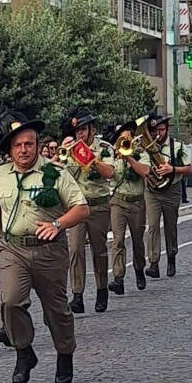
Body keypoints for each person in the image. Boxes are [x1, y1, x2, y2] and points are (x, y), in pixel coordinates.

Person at [0, 109, 90, 383]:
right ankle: (24, 352)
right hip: (14, 249)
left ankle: (65, 355)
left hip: (49, 251)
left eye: (29, 143)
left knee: (57, 310)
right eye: (18, 145)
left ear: (38, 145)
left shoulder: (56, 172)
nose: (24, 149)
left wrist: (58, 224)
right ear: (10, 149)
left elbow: (82, 208)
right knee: (11, 302)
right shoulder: (0, 175)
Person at [62, 108, 114, 314]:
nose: (80, 135)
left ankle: (102, 289)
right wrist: (66, 155)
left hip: (98, 205)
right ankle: (77, 295)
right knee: (75, 249)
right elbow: (63, 175)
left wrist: (90, 157)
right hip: (76, 205)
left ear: (92, 129)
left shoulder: (104, 148)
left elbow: (109, 172)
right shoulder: (71, 149)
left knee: (99, 250)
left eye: (83, 130)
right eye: (77, 131)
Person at [143, 113, 191, 279]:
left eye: (161, 130)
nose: (158, 134)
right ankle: (153, 262)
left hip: (172, 189)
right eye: (155, 130)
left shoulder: (176, 146)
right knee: (153, 226)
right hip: (152, 191)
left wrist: (173, 169)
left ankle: (171, 256)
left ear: (167, 129)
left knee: (170, 226)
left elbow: (189, 168)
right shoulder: (147, 146)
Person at [107, 120, 151, 295]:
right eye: (121, 137)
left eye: (127, 137)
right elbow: (109, 174)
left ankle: (139, 270)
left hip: (137, 203)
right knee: (118, 241)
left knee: (137, 241)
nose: (124, 140)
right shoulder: (111, 154)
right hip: (118, 201)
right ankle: (118, 278)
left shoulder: (141, 153)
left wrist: (129, 157)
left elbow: (145, 172)